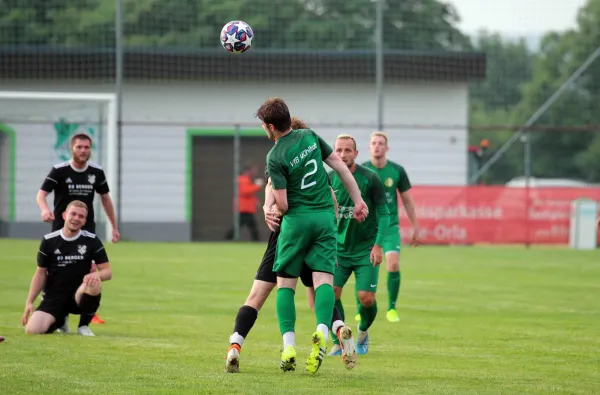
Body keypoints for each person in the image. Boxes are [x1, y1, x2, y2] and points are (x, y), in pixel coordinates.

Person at [225, 117, 357, 374]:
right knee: (319, 290)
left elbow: (272, 189)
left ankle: (236, 346)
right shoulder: (314, 166)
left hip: (287, 233)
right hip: (319, 230)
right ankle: (340, 329)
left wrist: (266, 207)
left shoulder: (278, 157)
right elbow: (333, 201)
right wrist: (332, 234)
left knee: (259, 296)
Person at [257, 97, 368, 374]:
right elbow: (340, 168)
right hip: (324, 219)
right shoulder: (310, 136)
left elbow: (282, 204)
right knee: (323, 282)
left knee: (285, 285)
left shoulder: (275, 156)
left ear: (271, 127)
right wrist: (358, 200)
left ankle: (289, 346)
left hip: (296, 222)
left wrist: (271, 207)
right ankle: (323, 330)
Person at [36, 133, 119, 331]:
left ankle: (85, 321)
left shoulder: (96, 172)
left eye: (87, 147)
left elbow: (105, 198)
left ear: (90, 150)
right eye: (79, 147)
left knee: (90, 272)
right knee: (55, 272)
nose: (83, 151)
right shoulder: (59, 171)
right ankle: (59, 313)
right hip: (61, 231)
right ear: (71, 149)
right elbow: (41, 194)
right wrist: (45, 209)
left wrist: (113, 226)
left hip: (86, 232)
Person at [328, 134, 390, 356]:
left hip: (365, 249)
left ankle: (363, 331)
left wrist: (378, 245)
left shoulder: (370, 178)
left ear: (356, 153)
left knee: (366, 298)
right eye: (339, 150)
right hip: (337, 250)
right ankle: (341, 338)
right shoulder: (328, 179)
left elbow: (384, 213)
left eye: (347, 150)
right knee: (329, 294)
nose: (343, 155)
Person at [22, 200, 113, 336]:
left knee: (94, 284)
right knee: (32, 330)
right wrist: (29, 302)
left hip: (78, 294)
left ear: (84, 220)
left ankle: (83, 326)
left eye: (81, 216)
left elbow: (107, 272)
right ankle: (59, 320)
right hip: (54, 296)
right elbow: (40, 274)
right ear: (64, 215)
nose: (76, 218)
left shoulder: (92, 240)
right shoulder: (49, 241)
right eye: (73, 214)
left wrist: (96, 275)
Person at [355, 131, 419, 323]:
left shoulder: (397, 171)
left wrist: (415, 226)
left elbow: (407, 200)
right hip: (366, 228)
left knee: (393, 264)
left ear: (387, 148)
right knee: (362, 267)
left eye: (381, 143)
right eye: (374, 143)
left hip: (390, 226)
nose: (377, 146)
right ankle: (360, 309)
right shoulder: (361, 170)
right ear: (369, 147)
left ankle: (391, 308)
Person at [225, 165, 263, 241]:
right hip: (244, 208)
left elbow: (248, 193)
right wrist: (257, 186)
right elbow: (245, 192)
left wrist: (255, 200)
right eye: (253, 170)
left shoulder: (245, 180)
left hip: (246, 208)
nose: (255, 173)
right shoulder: (243, 180)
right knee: (250, 226)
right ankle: (228, 237)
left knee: (247, 225)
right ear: (248, 171)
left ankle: (228, 238)